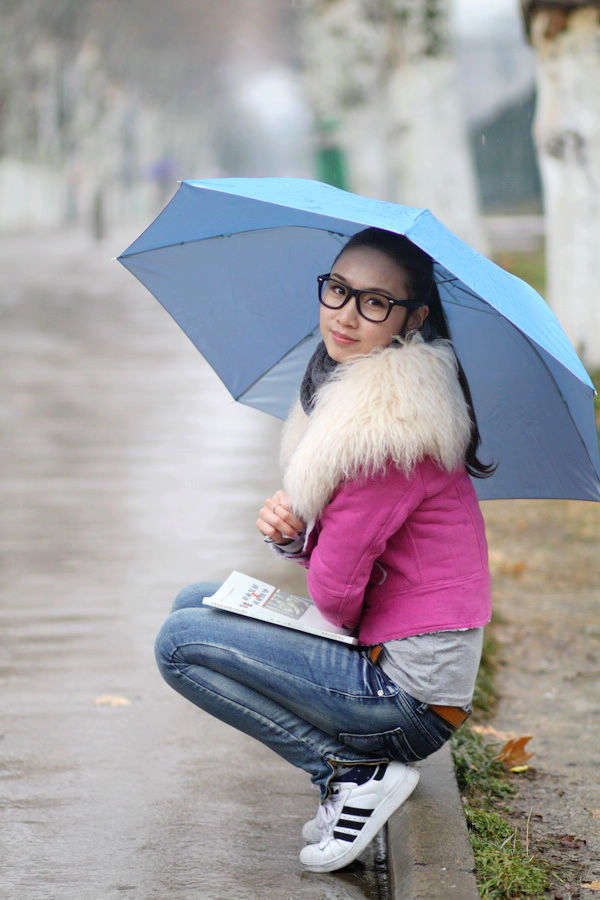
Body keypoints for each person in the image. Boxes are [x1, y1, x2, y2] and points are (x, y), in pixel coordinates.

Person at [154, 227, 493, 874]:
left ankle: (349, 774)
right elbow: (355, 559)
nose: (345, 313)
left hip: (410, 702)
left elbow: (336, 599)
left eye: (373, 302)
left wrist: (312, 535)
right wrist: (299, 533)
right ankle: (354, 773)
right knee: (193, 603)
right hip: (400, 659)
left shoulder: (389, 430)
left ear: (412, 318)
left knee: (179, 643)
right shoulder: (372, 397)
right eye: (338, 290)